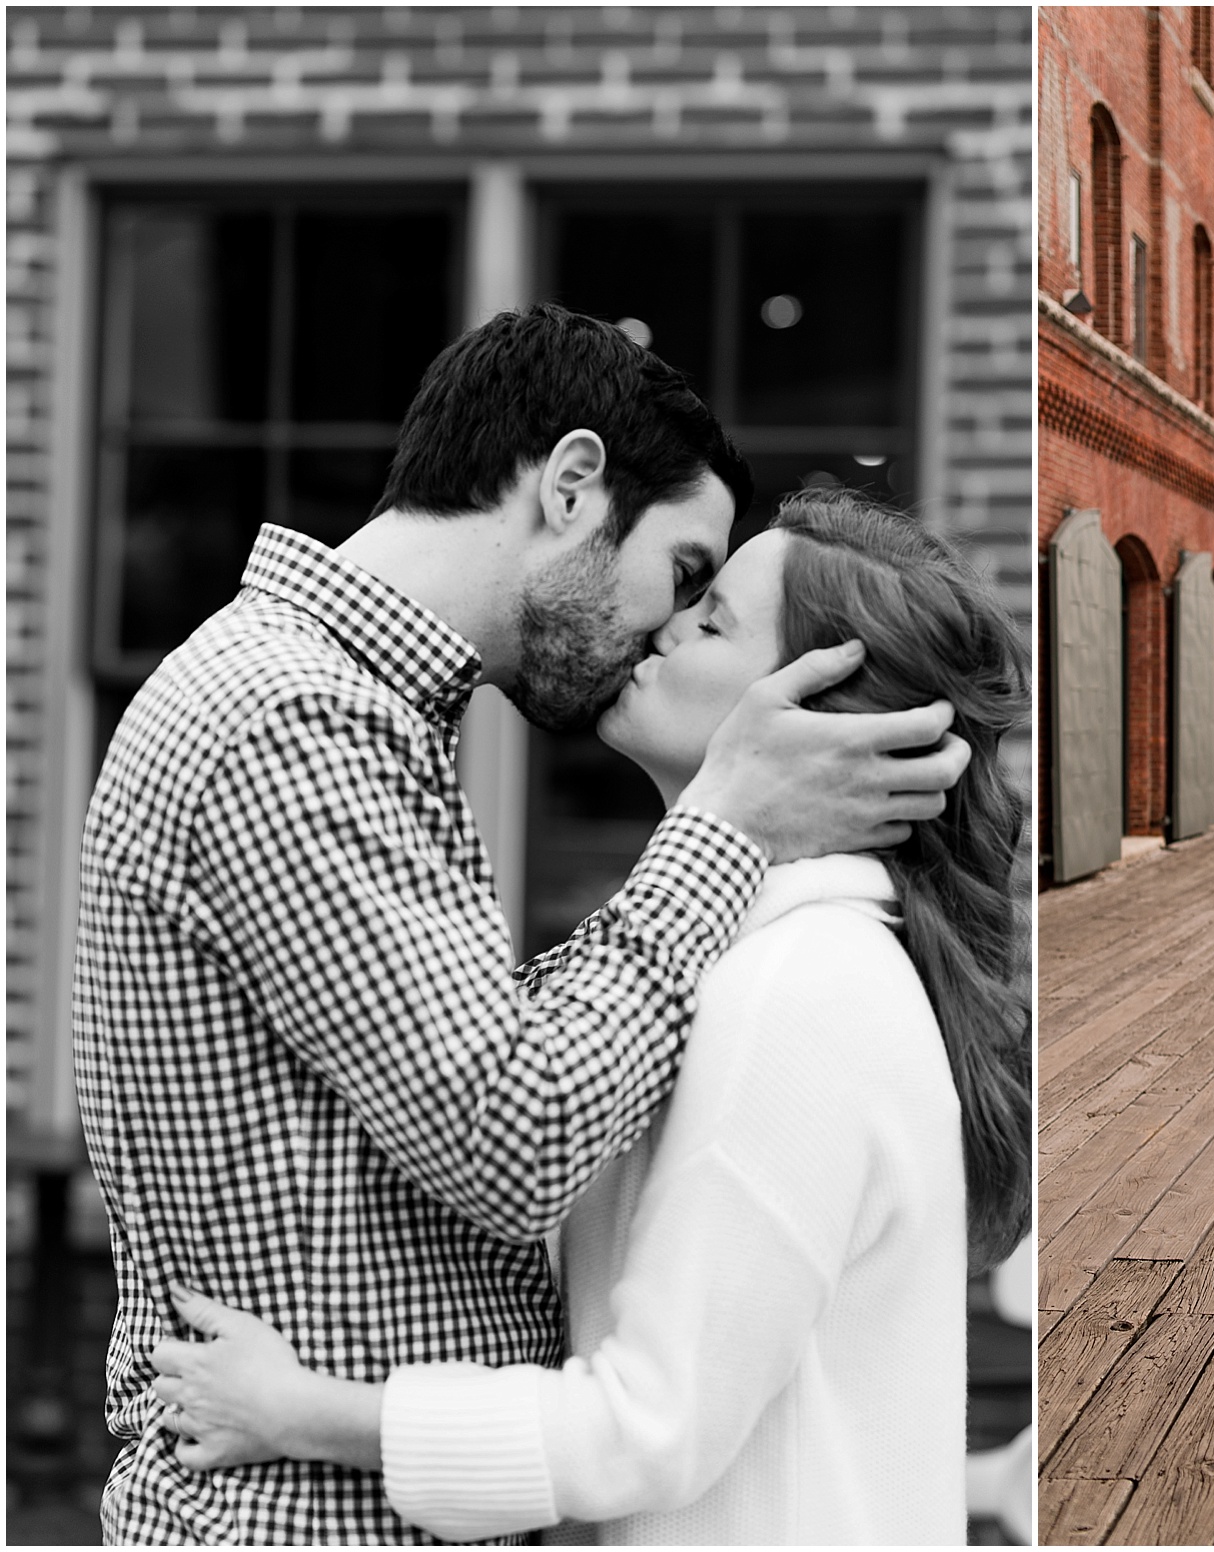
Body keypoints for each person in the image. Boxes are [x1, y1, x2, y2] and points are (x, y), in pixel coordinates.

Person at [72, 306, 970, 1544]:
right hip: (303, 1519)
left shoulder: (352, 714)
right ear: (571, 485)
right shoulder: (292, 719)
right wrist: (722, 823)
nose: (659, 629)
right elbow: (520, 1132)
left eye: (706, 609)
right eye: (686, 577)